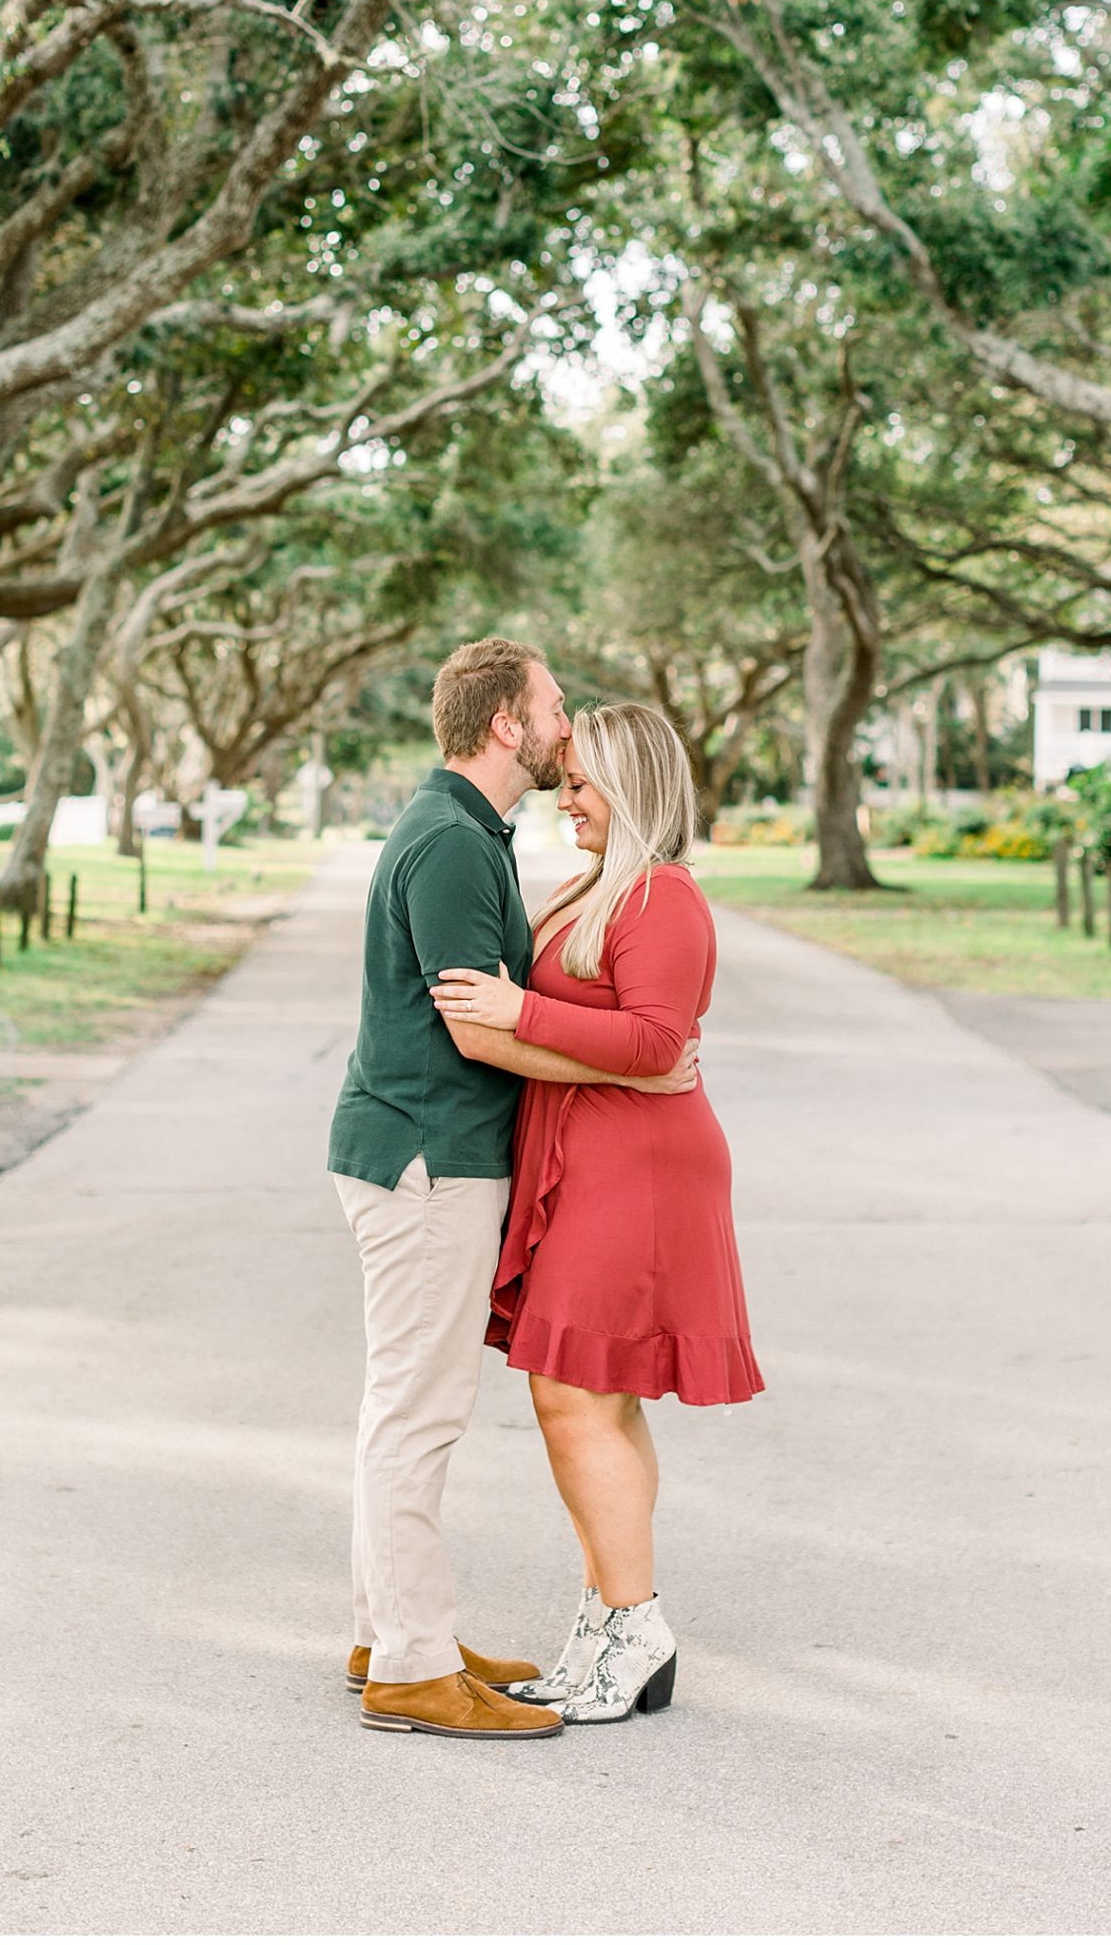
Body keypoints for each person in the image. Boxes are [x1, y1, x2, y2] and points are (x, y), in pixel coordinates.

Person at [328, 642, 701, 1741]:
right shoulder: (448, 841)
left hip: (432, 1157)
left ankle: (389, 1630)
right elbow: (474, 1025)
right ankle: (408, 1664)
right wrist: (636, 1063)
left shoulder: (467, 833)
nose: (562, 721)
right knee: (418, 1411)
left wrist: (633, 1054)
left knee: (400, 1404)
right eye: (549, 706)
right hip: (425, 1160)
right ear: (505, 725)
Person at [430, 701, 764, 1725]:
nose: (563, 798)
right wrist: (522, 1028)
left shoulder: (663, 896)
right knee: (596, 1397)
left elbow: (657, 1041)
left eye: (581, 781)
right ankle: (612, 1621)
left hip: (643, 1173)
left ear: (631, 783)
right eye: (565, 779)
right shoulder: (603, 887)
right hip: (605, 1156)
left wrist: (518, 1010)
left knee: (573, 1394)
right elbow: (625, 1043)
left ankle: (634, 1620)